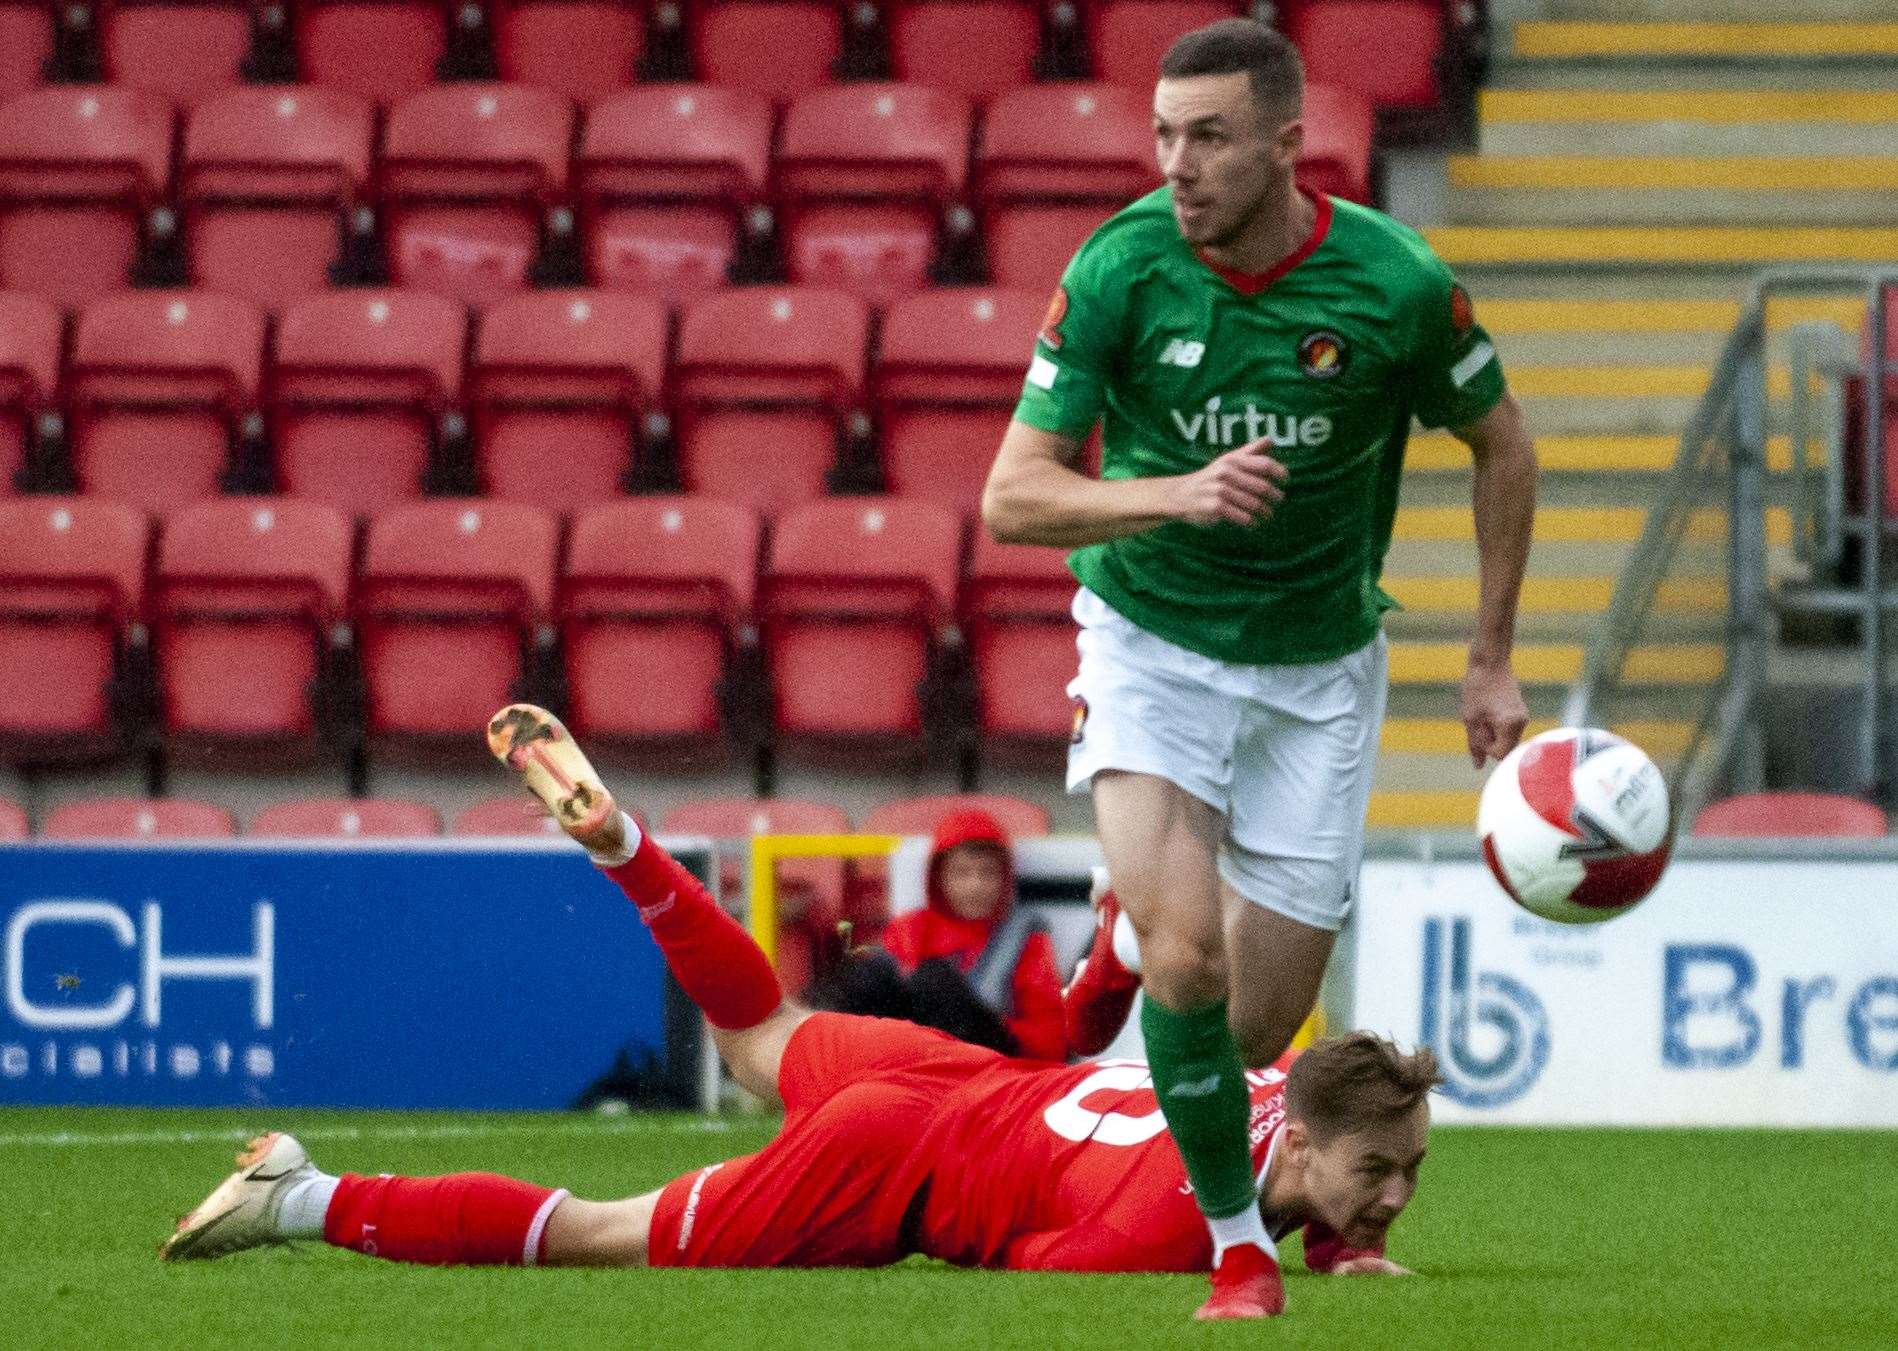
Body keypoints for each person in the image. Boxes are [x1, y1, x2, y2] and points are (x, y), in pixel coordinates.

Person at [161, 705, 1432, 1302]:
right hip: (903, 1155)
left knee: (756, 1027)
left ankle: (626, 852)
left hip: (958, 1080)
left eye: (1408, 1173)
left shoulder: (1265, 1091)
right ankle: (307, 1199)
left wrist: (1336, 1234)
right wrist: (1296, 1251)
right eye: (1380, 1172)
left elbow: (1277, 1163)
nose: (1394, 1192)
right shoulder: (1179, 1222)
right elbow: (1032, 1262)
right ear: (1303, 1137)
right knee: (602, 1231)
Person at [979, 17, 1536, 1318]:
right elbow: (1014, 496)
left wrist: (1489, 659)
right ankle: (1239, 1250)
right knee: (1188, 964)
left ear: (1290, 144)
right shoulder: (1117, 270)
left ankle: (1128, 922)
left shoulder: (1395, 285)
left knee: (1246, 1024)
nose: (1177, 164)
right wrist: (1175, 493)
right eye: (1165, 135)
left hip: (1316, 674)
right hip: (1151, 649)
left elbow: (1502, 447)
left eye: (1210, 138)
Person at [810, 807, 1067, 1060]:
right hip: (917, 1049)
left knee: (932, 978)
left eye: (987, 873)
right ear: (939, 877)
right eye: (961, 873)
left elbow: (1050, 1035)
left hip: (991, 1055)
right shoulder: (911, 928)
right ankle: (810, 1046)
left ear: (1005, 879)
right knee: (869, 971)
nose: (975, 886)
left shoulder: (1023, 933)